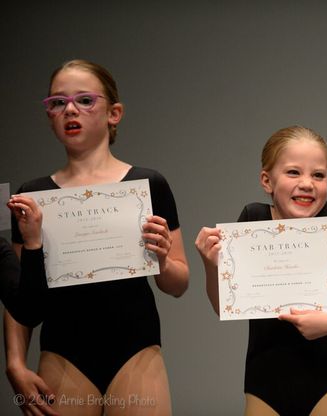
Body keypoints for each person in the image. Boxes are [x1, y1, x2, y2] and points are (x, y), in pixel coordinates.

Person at [5, 59, 189, 416]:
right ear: (50, 116)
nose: (70, 109)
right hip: (62, 354)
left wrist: (163, 259)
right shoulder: (34, 196)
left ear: (114, 113)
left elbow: (179, 283)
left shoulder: (147, 185)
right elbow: (18, 295)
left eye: (85, 100)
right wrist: (14, 362)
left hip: (136, 352)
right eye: (57, 102)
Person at [195, 125, 327, 416]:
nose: (307, 183)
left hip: (325, 375)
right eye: (293, 172)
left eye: (318, 174)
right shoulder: (252, 218)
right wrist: (210, 265)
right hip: (264, 376)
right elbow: (223, 305)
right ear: (267, 180)